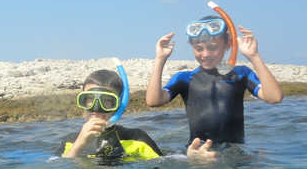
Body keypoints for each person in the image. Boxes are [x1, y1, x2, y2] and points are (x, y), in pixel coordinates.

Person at [145, 16, 283, 145]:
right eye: (199, 49)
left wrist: (254, 56)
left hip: (235, 152)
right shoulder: (185, 78)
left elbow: (274, 97)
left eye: (212, 48)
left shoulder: (241, 74)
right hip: (198, 151)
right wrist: (160, 59)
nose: (205, 54)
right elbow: (153, 101)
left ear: (228, 44)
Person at [58, 69, 216, 161]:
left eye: (107, 102)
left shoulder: (137, 138)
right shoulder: (69, 142)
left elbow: (165, 166)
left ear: (120, 105)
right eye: (89, 100)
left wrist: (191, 159)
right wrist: (79, 145)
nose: (96, 109)